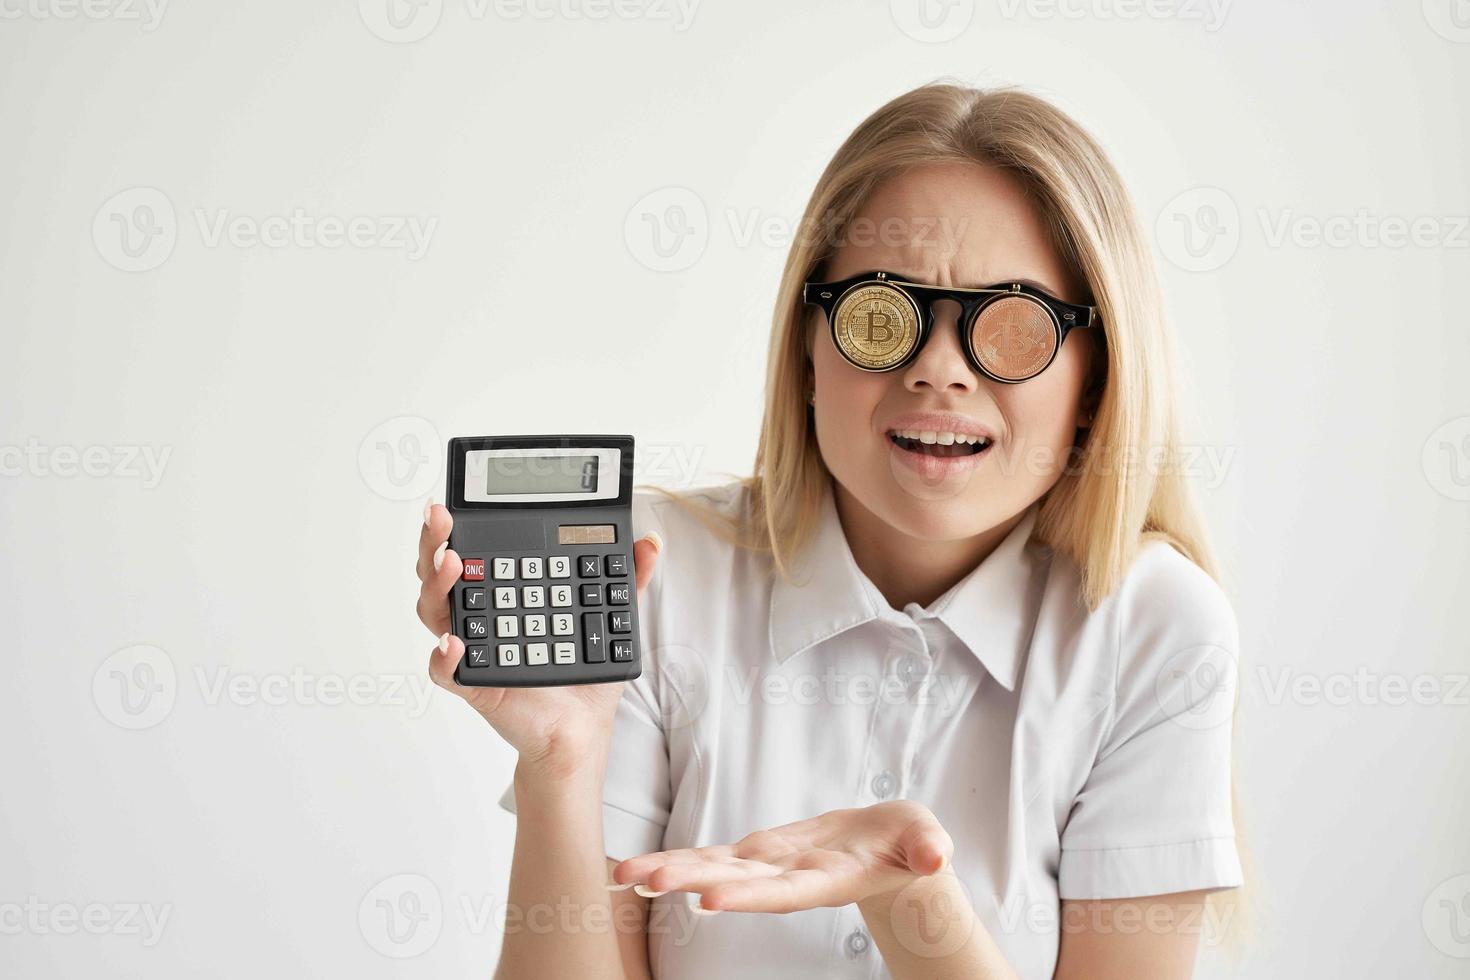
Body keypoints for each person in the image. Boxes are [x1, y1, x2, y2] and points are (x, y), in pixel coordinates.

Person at [415, 80, 1243, 979]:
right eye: (881, 314)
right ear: (807, 350)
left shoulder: (1155, 631)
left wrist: (912, 902)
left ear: (1097, 380)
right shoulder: (654, 576)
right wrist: (560, 770)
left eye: (1014, 327)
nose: (937, 371)